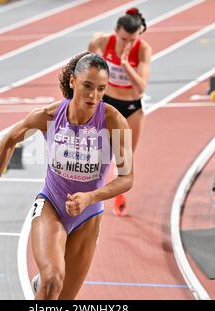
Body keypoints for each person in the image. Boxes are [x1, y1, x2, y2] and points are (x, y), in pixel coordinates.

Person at [0, 52, 133, 300]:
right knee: (52, 281)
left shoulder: (114, 121)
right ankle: (44, 283)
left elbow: (127, 178)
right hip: (51, 205)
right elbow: (8, 141)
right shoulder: (48, 116)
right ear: (72, 82)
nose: (93, 96)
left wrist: (91, 197)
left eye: (101, 89)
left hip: (88, 216)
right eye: (87, 86)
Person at [88, 7, 151, 216]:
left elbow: (141, 87)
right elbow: (86, 65)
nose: (127, 44)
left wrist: (125, 65)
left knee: (126, 157)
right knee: (100, 152)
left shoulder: (143, 50)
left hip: (132, 106)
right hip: (107, 102)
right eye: (124, 39)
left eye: (132, 40)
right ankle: (90, 195)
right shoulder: (101, 42)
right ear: (116, 31)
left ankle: (119, 195)